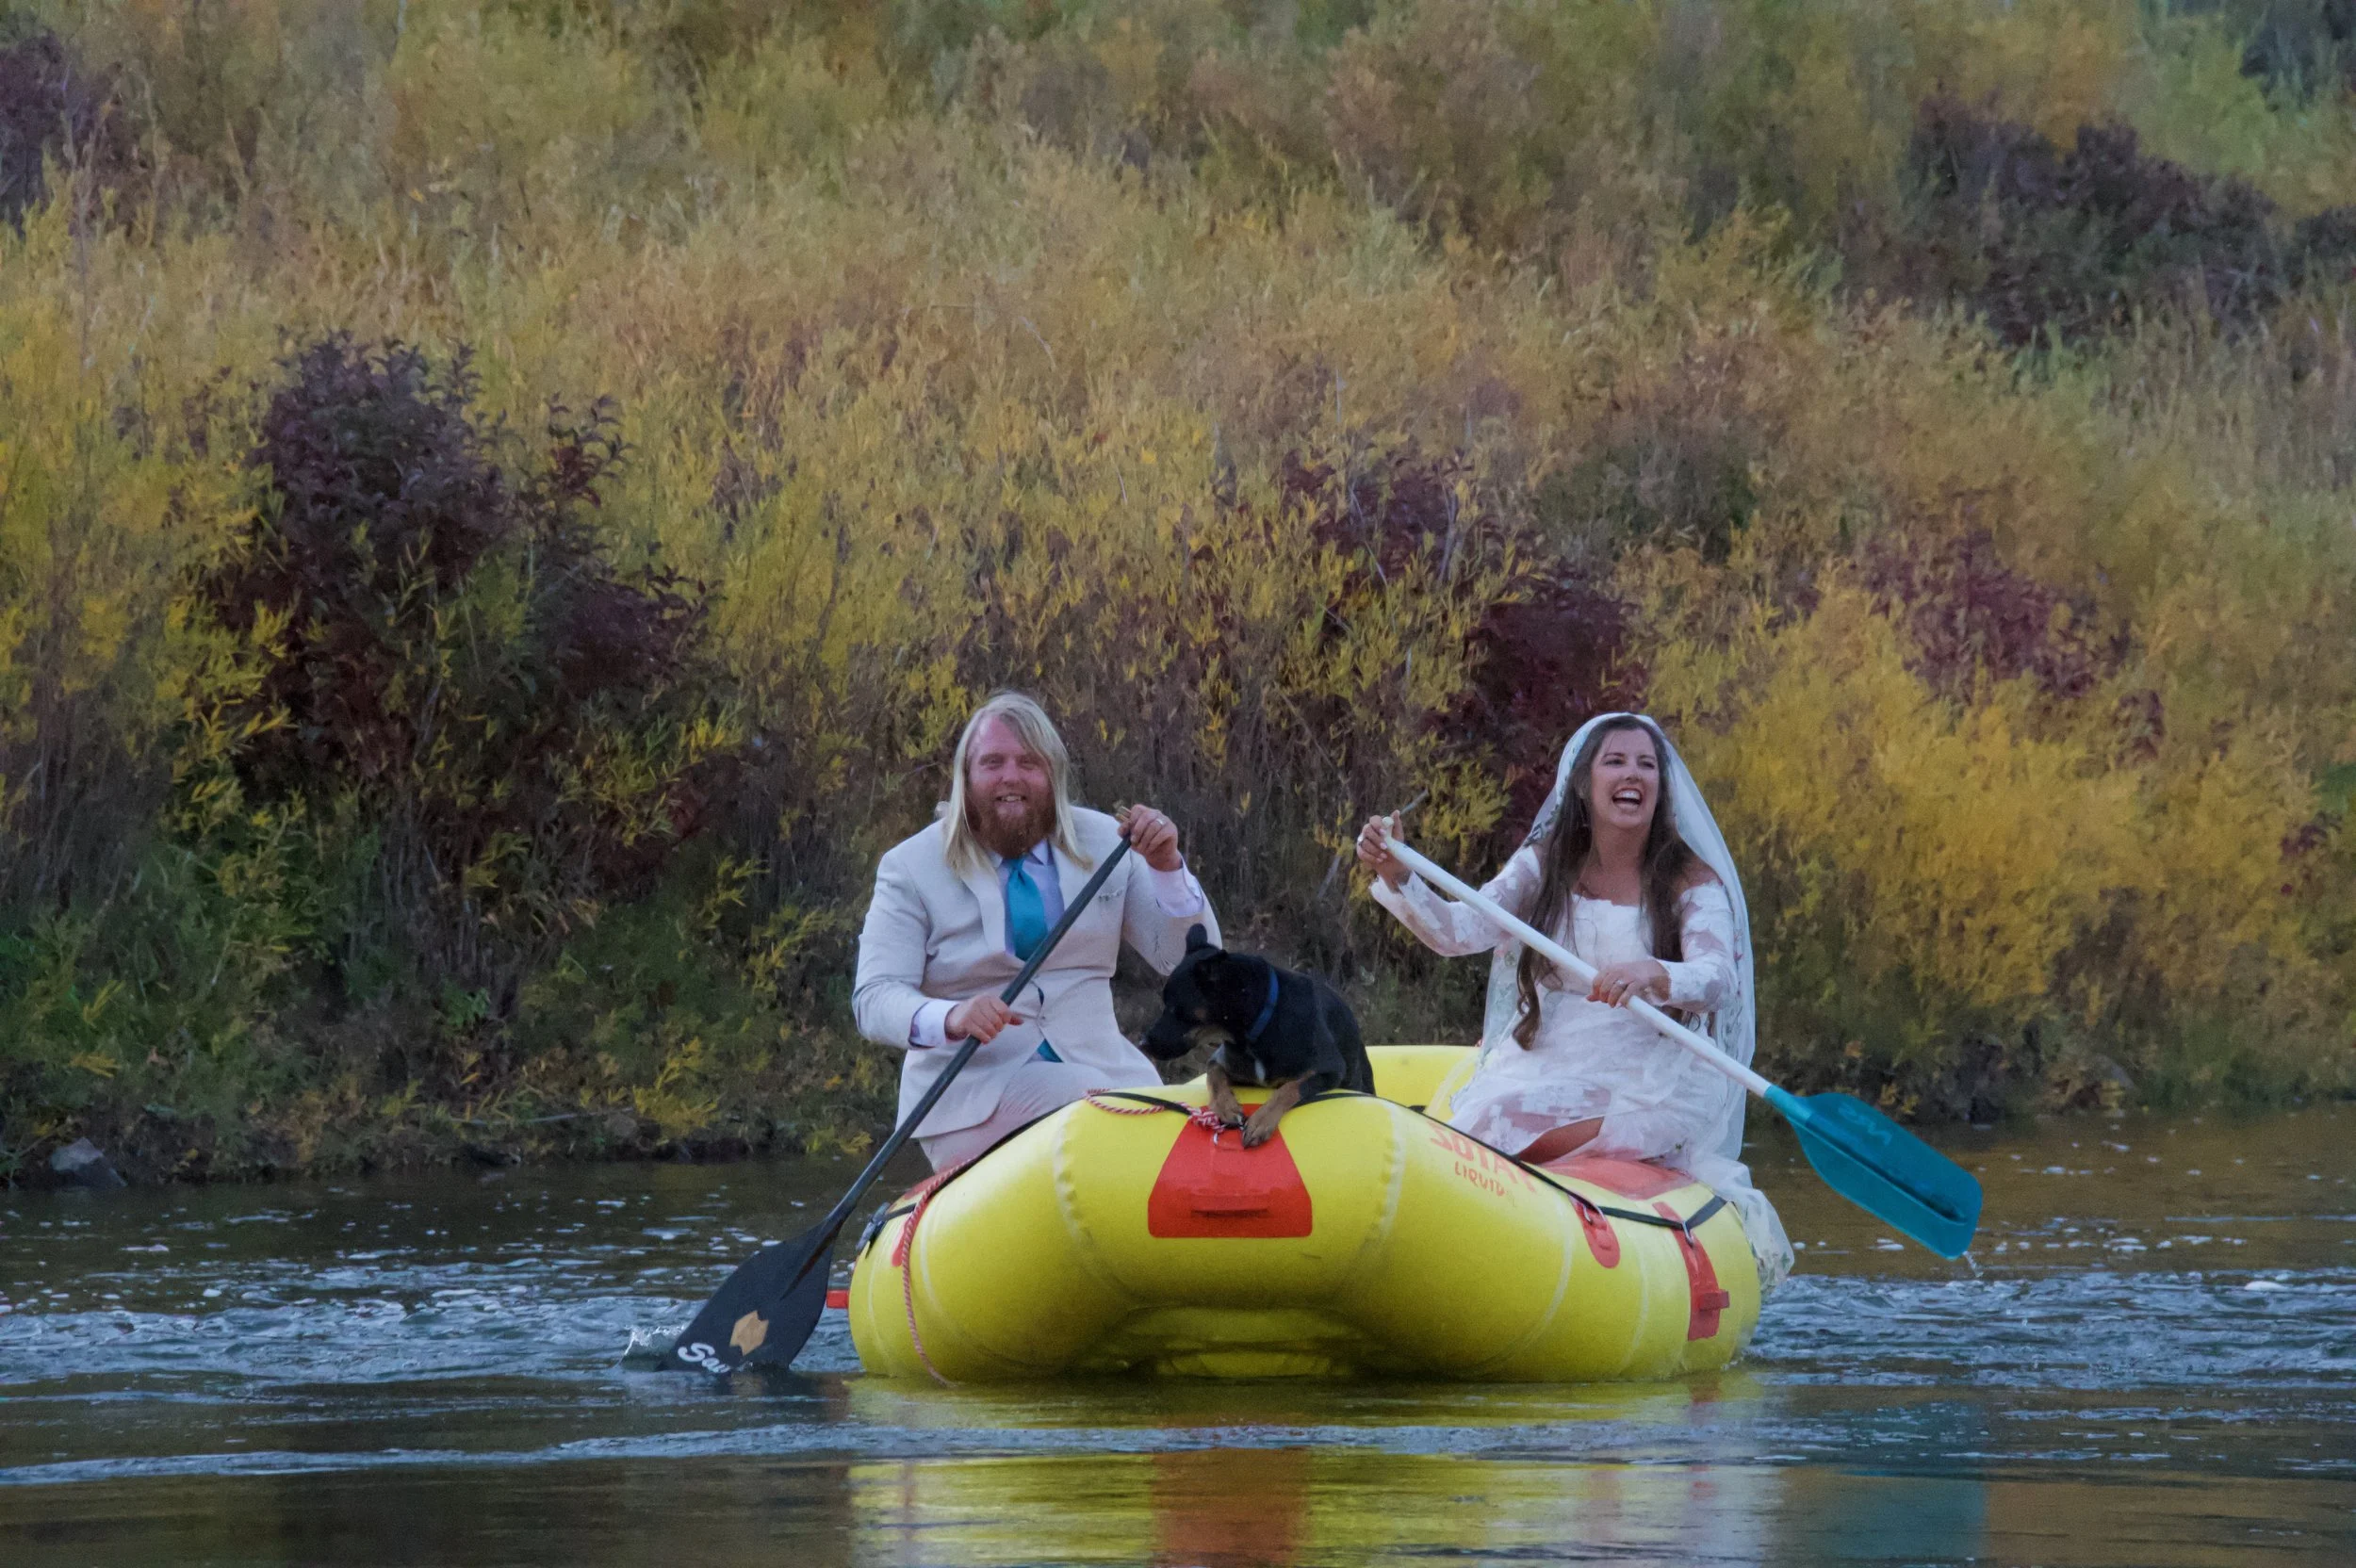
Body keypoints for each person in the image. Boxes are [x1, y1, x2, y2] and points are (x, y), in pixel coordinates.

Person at [1356, 713, 1792, 1287]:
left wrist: (1654, 974)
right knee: (1486, 1116)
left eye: (1646, 764)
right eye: (1615, 761)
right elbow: (1458, 932)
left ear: (1661, 789)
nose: (1632, 774)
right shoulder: (1544, 864)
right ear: (1585, 784)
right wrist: (1396, 875)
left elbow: (1716, 981)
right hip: (1551, 1057)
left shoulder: (1691, 880)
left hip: (1652, 1075)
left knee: (1500, 1121)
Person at [854, 692, 1219, 1170]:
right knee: (1081, 1098)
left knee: (1144, 1108)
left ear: (1053, 775)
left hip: (1109, 1077)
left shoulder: (1109, 842)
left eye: (1029, 762)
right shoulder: (910, 866)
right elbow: (874, 998)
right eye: (992, 762)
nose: (1011, 776)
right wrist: (951, 1016)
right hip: (971, 1100)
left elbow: (1190, 964)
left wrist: (1168, 868)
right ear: (966, 777)